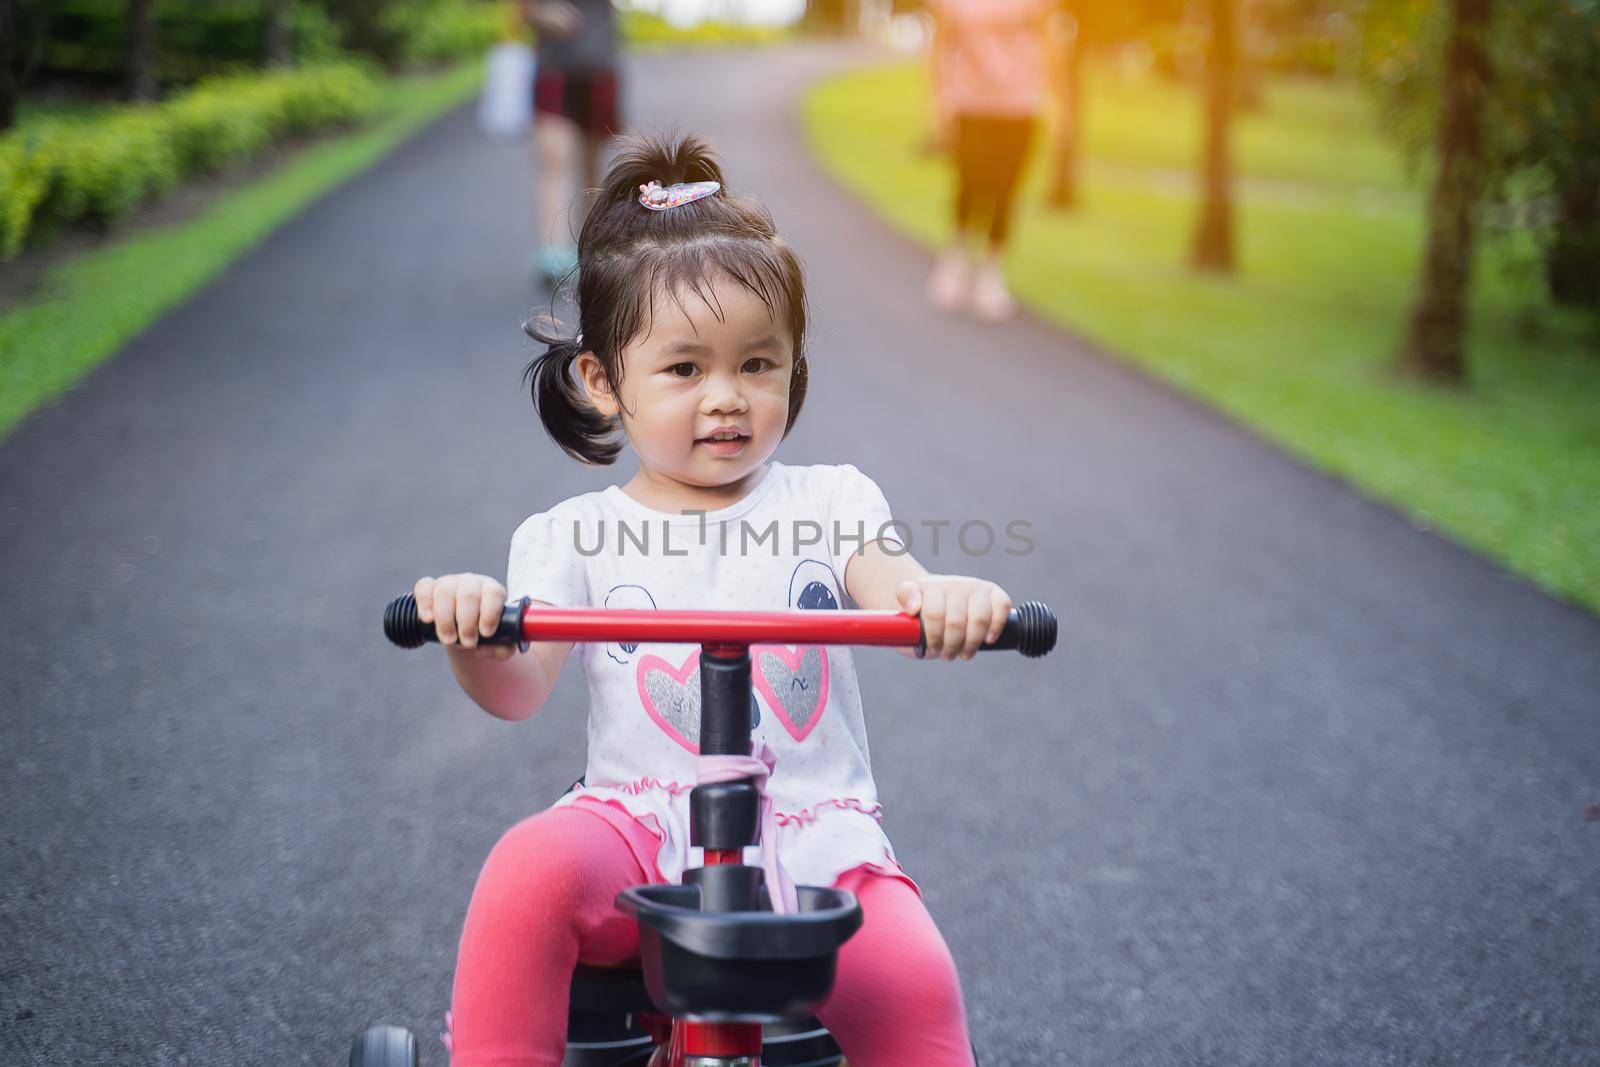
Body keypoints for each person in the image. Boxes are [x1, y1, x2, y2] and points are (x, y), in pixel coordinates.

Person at [414, 132, 1013, 1066]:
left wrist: (946, 601)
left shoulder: (832, 504)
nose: (727, 398)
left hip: (814, 839)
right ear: (603, 381)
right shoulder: (572, 534)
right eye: (686, 369)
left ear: (793, 363)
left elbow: (898, 590)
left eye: (758, 364)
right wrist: (474, 630)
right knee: (527, 869)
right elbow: (517, 689)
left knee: (911, 974)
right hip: (638, 832)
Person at [924, 0, 1055, 321]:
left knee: (1006, 188)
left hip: (1021, 106)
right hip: (969, 102)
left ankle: (991, 274)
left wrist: (1052, 100)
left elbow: (1050, 40)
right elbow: (940, 42)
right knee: (970, 181)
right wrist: (938, 100)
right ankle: (956, 260)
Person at [519, 0, 621, 288]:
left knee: (592, 166)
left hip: (600, 67)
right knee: (554, 159)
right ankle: (553, 252)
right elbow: (523, 9)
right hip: (554, 71)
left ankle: (591, 247)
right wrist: (544, 13)